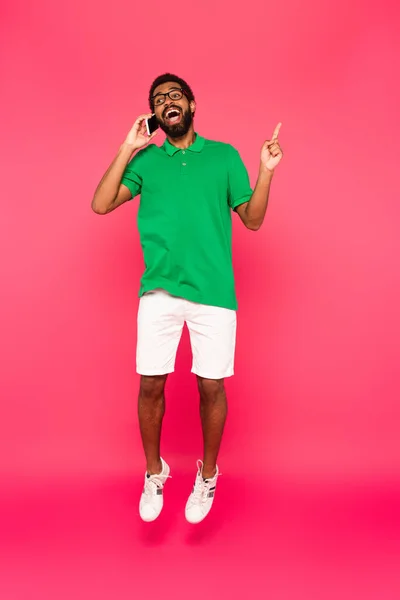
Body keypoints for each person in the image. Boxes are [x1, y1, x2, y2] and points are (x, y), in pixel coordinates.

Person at [91, 73, 283, 524]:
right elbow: (101, 204)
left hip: (214, 293)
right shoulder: (147, 162)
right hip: (158, 290)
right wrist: (128, 146)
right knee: (150, 384)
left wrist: (266, 172)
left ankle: (208, 475)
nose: (166, 102)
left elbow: (252, 220)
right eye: (158, 100)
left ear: (191, 104)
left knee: (211, 385)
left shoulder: (224, 156)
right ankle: (154, 472)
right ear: (156, 116)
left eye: (174, 95)